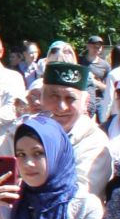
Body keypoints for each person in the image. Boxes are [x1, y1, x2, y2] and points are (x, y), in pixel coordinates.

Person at [41, 62, 114, 200]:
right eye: (54, 96)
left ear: (85, 103)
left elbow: (77, 198)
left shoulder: (95, 141)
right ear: (41, 98)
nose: (61, 107)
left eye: (70, 98)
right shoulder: (20, 133)